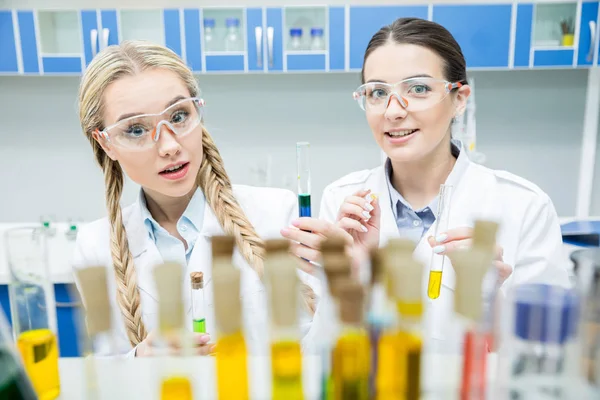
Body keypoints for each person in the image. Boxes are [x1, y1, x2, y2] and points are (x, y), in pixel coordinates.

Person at [283, 17, 569, 348]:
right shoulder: (343, 201)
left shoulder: (524, 207)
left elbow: (550, 354)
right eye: (377, 92)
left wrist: (494, 302)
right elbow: (322, 353)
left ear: (459, 99)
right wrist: (350, 281)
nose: (393, 112)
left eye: (418, 88)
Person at [71, 40, 317, 357]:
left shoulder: (277, 215)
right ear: (105, 144)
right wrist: (138, 359)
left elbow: (316, 349)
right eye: (135, 129)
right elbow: (101, 379)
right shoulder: (94, 247)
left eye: (178, 116)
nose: (169, 146)